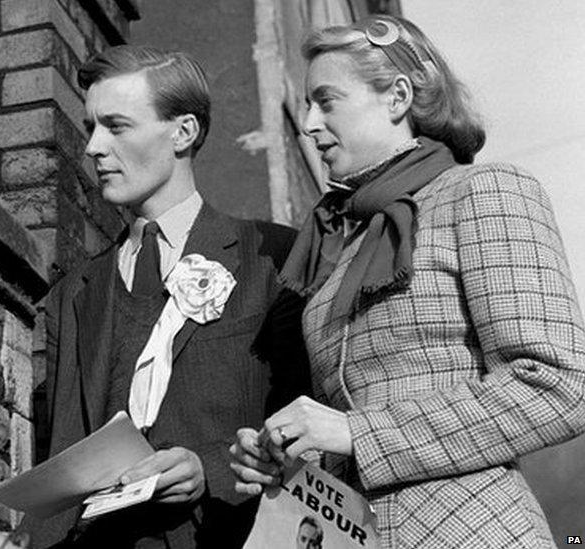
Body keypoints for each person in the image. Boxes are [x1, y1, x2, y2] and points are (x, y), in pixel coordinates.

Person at [229, 14, 585, 548]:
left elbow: (558, 385)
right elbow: (349, 421)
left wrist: (356, 432)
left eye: (326, 101)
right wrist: (286, 454)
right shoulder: (338, 248)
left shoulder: (482, 191)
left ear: (396, 98)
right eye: (306, 104)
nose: (307, 123)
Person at [30, 45, 310, 548]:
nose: (93, 146)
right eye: (91, 126)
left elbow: (307, 431)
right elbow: (63, 448)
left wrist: (208, 470)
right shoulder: (72, 294)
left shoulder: (273, 257)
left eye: (116, 126)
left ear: (183, 131)